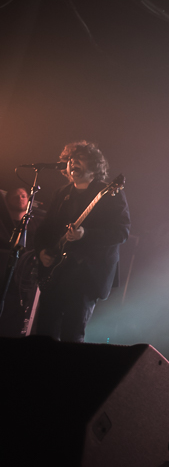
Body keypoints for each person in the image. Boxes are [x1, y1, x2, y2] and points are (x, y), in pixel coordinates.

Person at [31, 142, 130, 342]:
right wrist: (41, 252)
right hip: (57, 273)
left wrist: (86, 234)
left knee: (72, 334)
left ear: (94, 164)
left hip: (87, 275)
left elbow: (122, 232)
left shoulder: (110, 192)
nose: (72, 162)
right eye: (69, 159)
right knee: (43, 333)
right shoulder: (62, 193)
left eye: (80, 158)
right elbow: (45, 229)